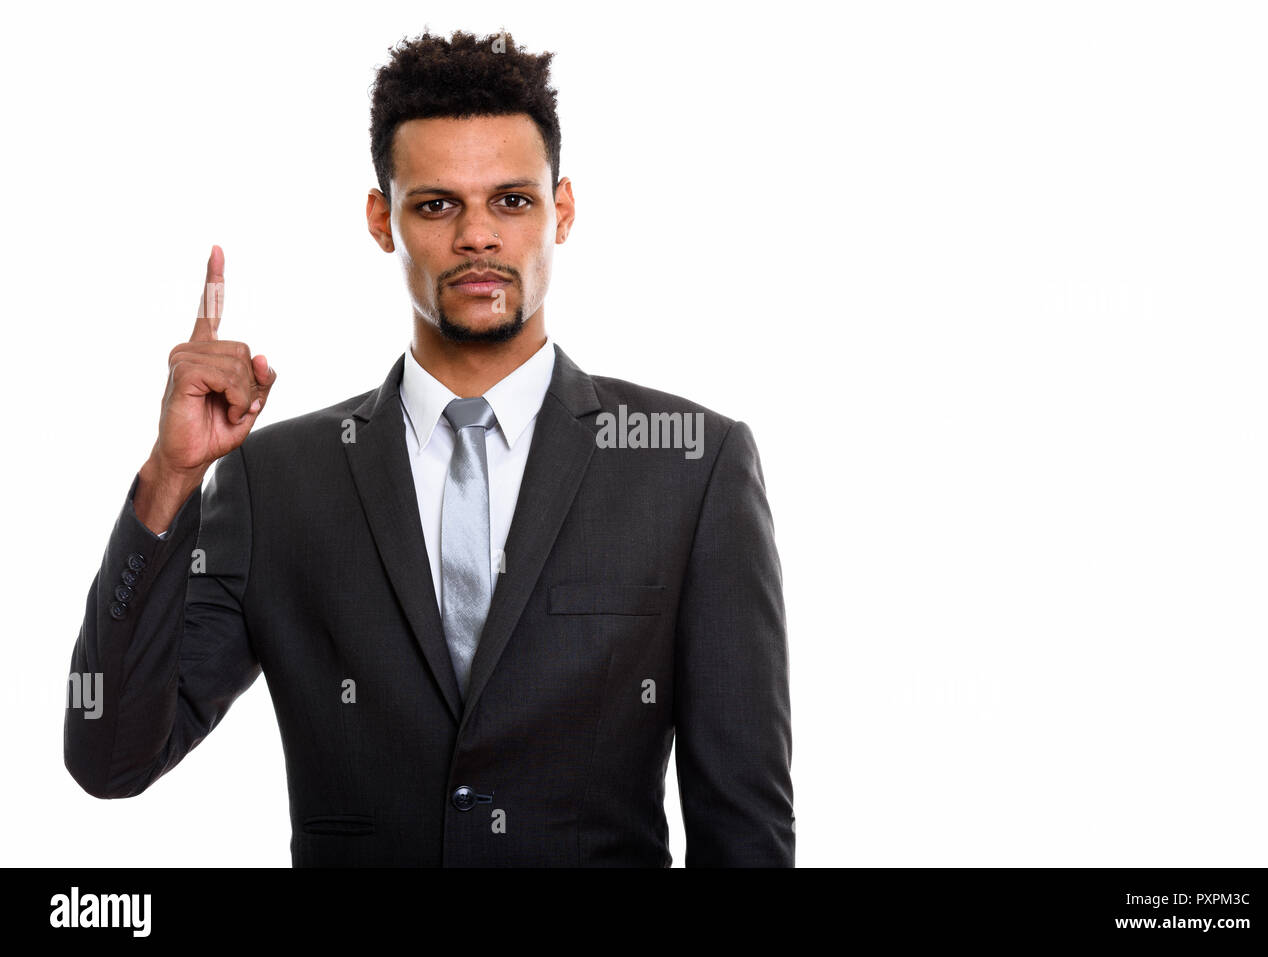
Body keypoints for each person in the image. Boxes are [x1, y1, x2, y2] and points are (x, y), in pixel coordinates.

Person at [64, 28, 793, 867]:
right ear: (383, 219)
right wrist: (171, 479)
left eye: (511, 201)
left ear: (562, 210)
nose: (477, 236)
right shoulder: (275, 483)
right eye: (438, 203)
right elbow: (109, 756)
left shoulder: (692, 467)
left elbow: (746, 829)